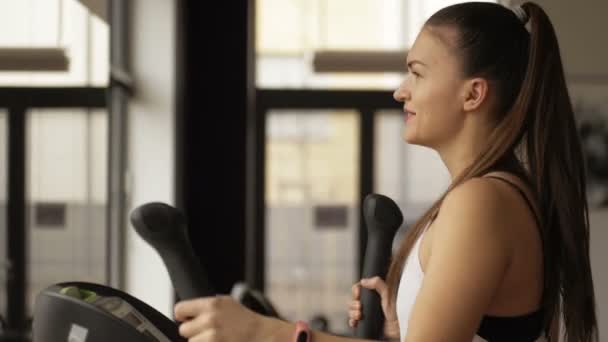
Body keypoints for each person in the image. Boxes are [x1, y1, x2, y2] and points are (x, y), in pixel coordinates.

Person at [173, 2, 598, 341]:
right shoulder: (485, 195)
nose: (400, 90)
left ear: (473, 94)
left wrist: (263, 332)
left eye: (416, 73)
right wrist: (403, 323)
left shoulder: (481, 200)